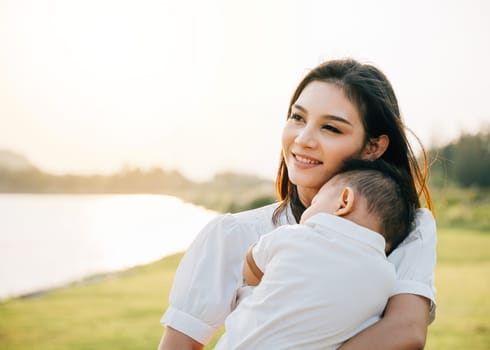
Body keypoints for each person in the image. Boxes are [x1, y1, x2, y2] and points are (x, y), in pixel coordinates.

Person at [158, 58, 437, 350]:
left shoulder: (408, 229)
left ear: (373, 147)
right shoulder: (233, 234)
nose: (303, 139)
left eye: (330, 128)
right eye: (297, 118)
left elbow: (406, 331)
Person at [214, 158, 418, 349]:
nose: (306, 212)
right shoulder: (387, 278)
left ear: (344, 201)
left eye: (314, 202)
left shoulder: (294, 237)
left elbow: (251, 265)